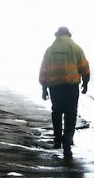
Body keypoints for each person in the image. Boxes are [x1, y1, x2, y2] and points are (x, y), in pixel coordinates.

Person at [39, 26, 90, 158]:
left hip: (55, 86)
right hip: (71, 86)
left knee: (56, 111)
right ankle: (67, 142)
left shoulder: (50, 50)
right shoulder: (76, 48)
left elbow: (43, 70)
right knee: (71, 113)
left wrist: (44, 89)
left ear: (57, 35)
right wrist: (85, 83)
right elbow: (84, 67)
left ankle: (57, 140)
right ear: (69, 35)